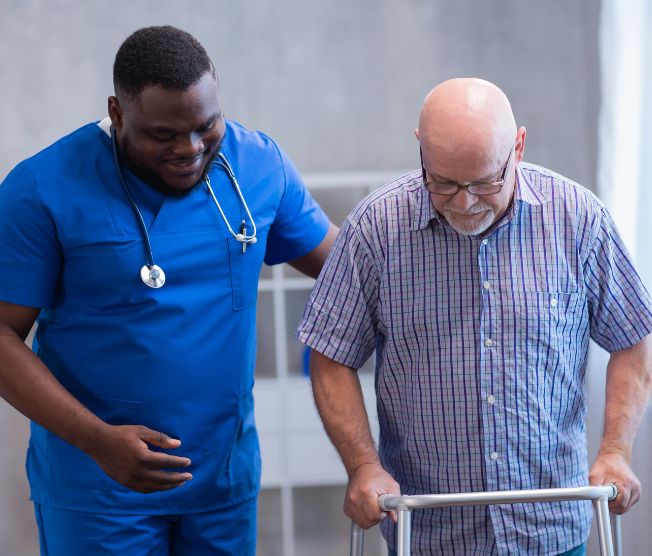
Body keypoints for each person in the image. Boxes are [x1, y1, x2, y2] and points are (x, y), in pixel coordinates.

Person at [0, 25, 337, 555]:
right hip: (100, 488)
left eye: (207, 126)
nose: (190, 149)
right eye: (163, 135)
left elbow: (345, 268)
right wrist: (97, 440)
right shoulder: (43, 188)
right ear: (116, 113)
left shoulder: (258, 164)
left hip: (221, 480)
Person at [297, 78, 652, 555]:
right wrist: (363, 465)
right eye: (443, 182)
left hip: (549, 528)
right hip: (428, 532)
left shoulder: (578, 219)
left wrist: (616, 451)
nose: (464, 203)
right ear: (420, 148)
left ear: (518, 147)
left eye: (486, 182)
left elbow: (633, 340)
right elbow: (330, 356)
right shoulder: (375, 229)